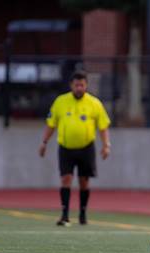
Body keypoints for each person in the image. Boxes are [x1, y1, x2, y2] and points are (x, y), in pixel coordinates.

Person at [39, 70, 111, 227]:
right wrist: (44, 142)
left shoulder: (94, 103)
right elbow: (51, 124)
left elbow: (103, 126)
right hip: (65, 148)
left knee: (84, 182)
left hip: (87, 148)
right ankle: (64, 214)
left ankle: (83, 213)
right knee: (66, 179)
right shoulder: (60, 101)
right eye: (76, 85)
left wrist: (106, 145)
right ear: (71, 85)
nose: (79, 88)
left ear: (86, 85)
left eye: (82, 85)